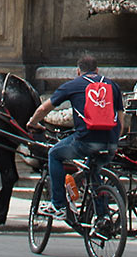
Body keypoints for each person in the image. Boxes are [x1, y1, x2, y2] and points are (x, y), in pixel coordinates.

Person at [25, 54, 124, 220]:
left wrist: (32, 123)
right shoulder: (112, 85)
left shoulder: (73, 85)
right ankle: (103, 215)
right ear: (97, 70)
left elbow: (44, 109)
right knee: (93, 171)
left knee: (54, 154)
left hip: (86, 140)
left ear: (78, 71)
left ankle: (58, 205)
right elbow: (120, 118)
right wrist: (114, 140)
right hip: (110, 142)